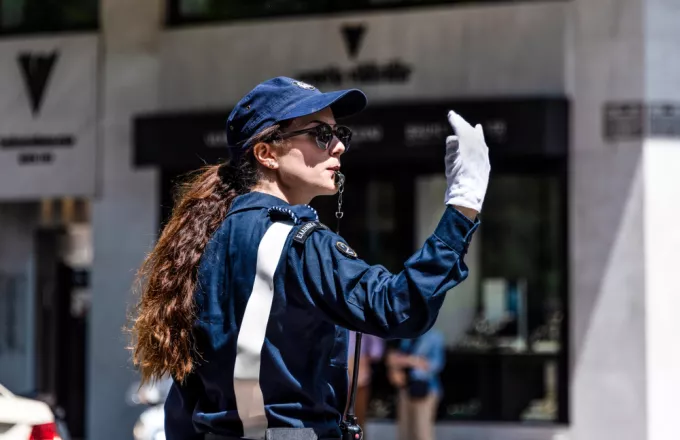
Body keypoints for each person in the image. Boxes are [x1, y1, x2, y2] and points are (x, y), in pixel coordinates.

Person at [128, 76, 490, 440]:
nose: (338, 147)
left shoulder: (203, 241)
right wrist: (464, 205)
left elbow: (184, 394)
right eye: (320, 134)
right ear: (266, 153)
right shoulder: (296, 241)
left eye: (339, 134)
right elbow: (399, 306)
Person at [386, 329, 445, 440]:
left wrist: (407, 360)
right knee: (405, 431)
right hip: (406, 388)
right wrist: (415, 361)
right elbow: (393, 359)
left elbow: (436, 364)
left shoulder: (434, 337)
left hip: (426, 389)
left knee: (422, 431)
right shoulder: (406, 336)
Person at [345, 332, 385, 436]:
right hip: (338, 378)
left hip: (360, 380)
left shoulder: (364, 326)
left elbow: (377, 351)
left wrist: (362, 360)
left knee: (358, 420)